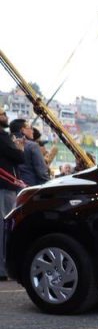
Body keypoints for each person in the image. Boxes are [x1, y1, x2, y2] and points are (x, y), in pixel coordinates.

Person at [0, 107, 25, 280]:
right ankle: (2, 268)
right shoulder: (2, 136)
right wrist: (20, 148)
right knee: (4, 228)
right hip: (5, 186)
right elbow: (18, 157)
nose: (5, 116)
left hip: (6, 185)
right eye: (2, 114)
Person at [10, 119, 49, 187]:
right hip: (30, 187)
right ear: (22, 130)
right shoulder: (32, 146)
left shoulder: (6, 144)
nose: (33, 131)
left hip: (10, 186)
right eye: (30, 128)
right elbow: (41, 171)